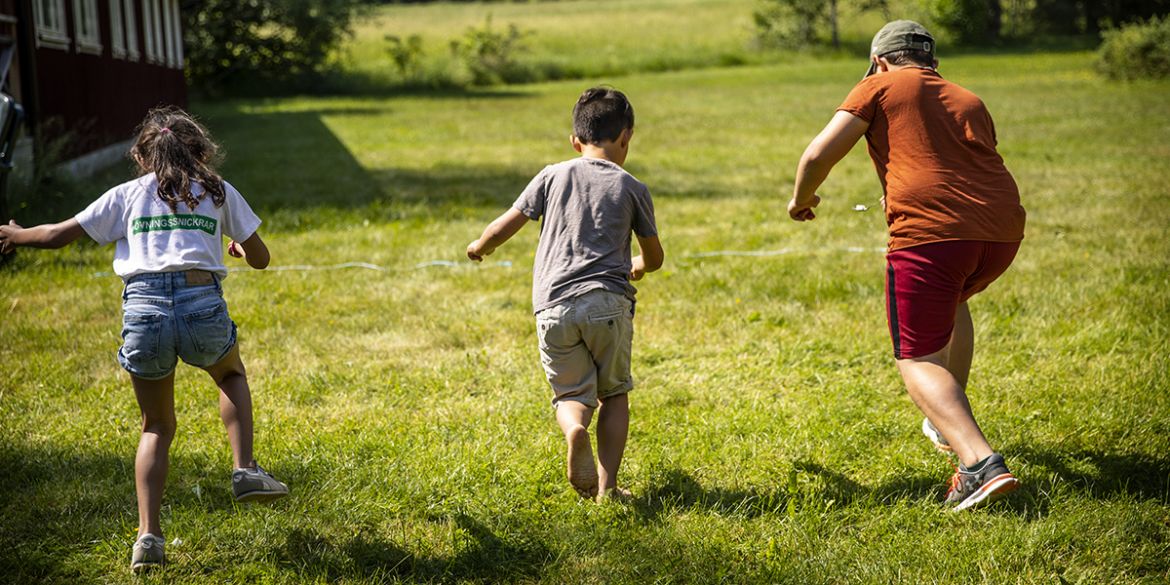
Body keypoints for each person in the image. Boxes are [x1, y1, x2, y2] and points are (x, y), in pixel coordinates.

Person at [0, 106, 288, 571]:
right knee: (230, 373)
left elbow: (55, 234)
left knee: (156, 426)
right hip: (201, 301)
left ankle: (148, 538)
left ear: (143, 154)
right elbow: (261, 258)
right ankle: (245, 470)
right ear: (200, 152)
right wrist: (236, 244)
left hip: (144, 309)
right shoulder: (216, 191)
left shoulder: (126, 195)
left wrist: (16, 233)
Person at [787, 21, 1026, 511]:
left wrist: (801, 199)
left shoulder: (876, 85)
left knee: (917, 359)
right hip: (1000, 234)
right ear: (932, 62)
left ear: (880, 61)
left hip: (931, 237)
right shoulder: (967, 97)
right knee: (955, 299)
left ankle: (980, 463)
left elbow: (817, 154)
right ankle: (947, 423)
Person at [467, 87, 663, 501]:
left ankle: (575, 429)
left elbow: (506, 223)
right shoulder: (633, 187)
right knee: (613, 394)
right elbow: (655, 254)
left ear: (576, 141)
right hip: (607, 304)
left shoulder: (552, 174)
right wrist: (641, 266)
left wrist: (481, 247)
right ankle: (608, 490)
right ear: (627, 137)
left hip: (553, 307)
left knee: (571, 394)